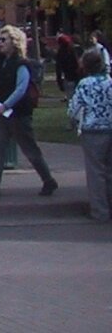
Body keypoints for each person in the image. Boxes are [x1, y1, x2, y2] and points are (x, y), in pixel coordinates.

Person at [0, 25, 57, 199]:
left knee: (30, 149)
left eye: (4, 40)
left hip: (18, 114)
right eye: (0, 39)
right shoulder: (2, 62)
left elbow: (21, 89)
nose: (0, 43)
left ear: (15, 42)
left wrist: (5, 105)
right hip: (1, 113)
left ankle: (48, 180)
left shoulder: (22, 64)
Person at [67, 48, 112, 221]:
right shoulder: (109, 82)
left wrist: (73, 120)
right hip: (110, 127)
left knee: (96, 172)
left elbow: (74, 108)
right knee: (109, 170)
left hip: (92, 130)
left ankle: (100, 211)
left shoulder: (85, 84)